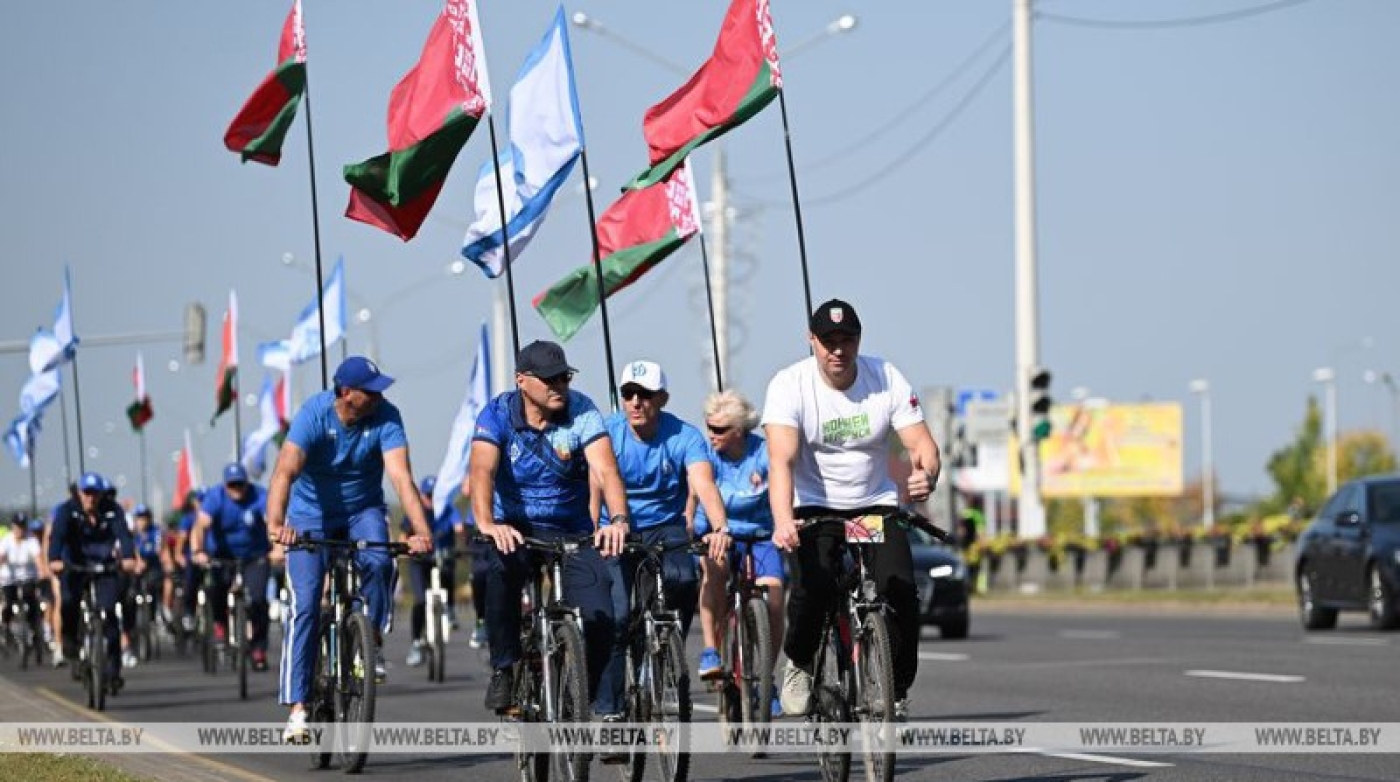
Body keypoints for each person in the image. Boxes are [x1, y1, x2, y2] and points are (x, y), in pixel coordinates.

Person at [763, 299, 940, 721]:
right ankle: (801, 661)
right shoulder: (790, 385)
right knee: (816, 590)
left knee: (900, 591)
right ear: (812, 342)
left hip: (871, 508)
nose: (838, 350)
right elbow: (781, 461)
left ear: (859, 341)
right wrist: (784, 519)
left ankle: (895, 687)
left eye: (847, 340)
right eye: (828, 341)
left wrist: (927, 474)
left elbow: (922, 445)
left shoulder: (886, 377)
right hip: (815, 508)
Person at [267, 356, 434, 743]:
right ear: (345, 392)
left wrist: (420, 531)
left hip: (363, 510)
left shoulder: (387, 417)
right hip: (311, 516)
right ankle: (298, 708)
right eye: (370, 391)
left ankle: (370, 640)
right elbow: (284, 472)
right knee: (306, 604)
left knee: (380, 559)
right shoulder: (314, 414)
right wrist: (276, 525)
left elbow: (401, 478)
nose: (379, 397)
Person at [467, 340, 630, 721]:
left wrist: (619, 519)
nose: (559, 386)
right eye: (549, 379)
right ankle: (504, 668)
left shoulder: (582, 410)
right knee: (500, 572)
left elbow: (606, 471)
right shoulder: (496, 415)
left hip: (570, 529)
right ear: (522, 381)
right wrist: (488, 524)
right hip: (515, 528)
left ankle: (585, 691)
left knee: (601, 614)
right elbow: (481, 473)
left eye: (564, 378)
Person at [595, 360, 728, 707]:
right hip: (616, 529)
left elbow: (703, 483)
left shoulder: (685, 436)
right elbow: (594, 487)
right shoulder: (607, 434)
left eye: (645, 394)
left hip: (665, 528)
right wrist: (593, 527)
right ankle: (611, 709)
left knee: (683, 581)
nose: (636, 402)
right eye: (628, 394)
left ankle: (667, 647)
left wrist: (719, 527)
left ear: (663, 398)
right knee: (619, 616)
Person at [690, 389, 785, 716]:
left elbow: (783, 488)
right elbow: (695, 493)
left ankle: (766, 680)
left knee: (774, 595)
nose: (711, 435)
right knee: (714, 570)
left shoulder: (763, 453)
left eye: (719, 429)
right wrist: (693, 527)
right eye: (708, 427)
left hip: (760, 534)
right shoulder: (707, 455)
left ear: (739, 431)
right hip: (718, 533)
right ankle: (711, 651)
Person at [47, 471, 138, 694]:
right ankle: (70, 641)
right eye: (87, 493)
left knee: (109, 615)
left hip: (104, 566)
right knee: (68, 601)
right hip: (75, 567)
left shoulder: (112, 510)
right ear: (79, 493)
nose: (91, 499)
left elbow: (124, 535)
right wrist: (54, 559)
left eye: (95, 494)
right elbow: (57, 536)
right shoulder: (67, 511)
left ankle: (113, 671)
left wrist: (128, 557)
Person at [191, 463, 273, 672]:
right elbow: (201, 526)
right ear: (225, 485)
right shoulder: (215, 497)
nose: (237, 489)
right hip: (222, 556)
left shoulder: (260, 496)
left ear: (247, 483)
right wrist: (198, 550)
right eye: (232, 485)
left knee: (258, 600)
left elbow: (273, 521)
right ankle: (220, 624)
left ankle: (258, 648)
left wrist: (279, 548)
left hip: (254, 556)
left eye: (240, 484)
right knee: (215, 589)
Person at [402, 475, 465, 667]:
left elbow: (459, 527)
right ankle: (416, 643)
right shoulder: (415, 511)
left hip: (442, 557)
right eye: (428, 495)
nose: (431, 499)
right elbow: (403, 535)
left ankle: (451, 610)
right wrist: (407, 546)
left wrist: (462, 537)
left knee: (448, 571)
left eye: (434, 494)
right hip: (420, 561)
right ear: (421, 496)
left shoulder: (447, 508)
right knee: (420, 600)